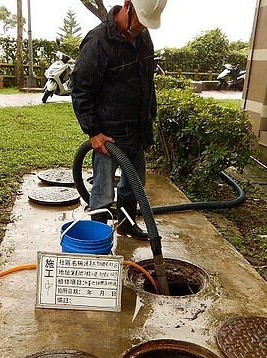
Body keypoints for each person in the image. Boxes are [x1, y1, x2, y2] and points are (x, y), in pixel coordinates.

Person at [71, 0, 167, 240]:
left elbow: (147, 82)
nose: (143, 28)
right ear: (127, 6)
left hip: (137, 128)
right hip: (109, 135)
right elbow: (81, 89)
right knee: (103, 190)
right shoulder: (98, 41)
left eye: (147, 25)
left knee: (134, 183)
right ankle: (99, 236)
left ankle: (126, 224)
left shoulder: (144, 39)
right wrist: (94, 132)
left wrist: (149, 118)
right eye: (140, 22)